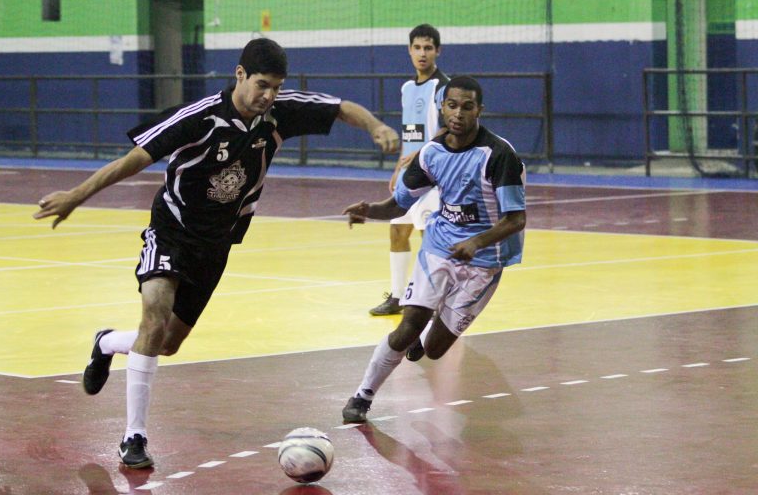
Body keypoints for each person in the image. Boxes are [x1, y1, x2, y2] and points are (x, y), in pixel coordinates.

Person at [33, 38, 399, 468]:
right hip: (172, 230)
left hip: (217, 244)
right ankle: (134, 436)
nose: (269, 95)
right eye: (262, 84)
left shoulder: (279, 112)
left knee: (166, 344)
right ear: (240, 74)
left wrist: (375, 126)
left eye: (277, 87)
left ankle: (107, 342)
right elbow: (134, 160)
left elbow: (340, 107)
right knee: (154, 314)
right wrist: (77, 195)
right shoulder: (200, 117)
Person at [341, 76, 526, 422]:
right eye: (452, 105)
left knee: (434, 349)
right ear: (442, 107)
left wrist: (476, 241)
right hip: (439, 247)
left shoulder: (499, 155)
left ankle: (424, 333)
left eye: (467, 107)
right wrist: (372, 211)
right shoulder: (431, 154)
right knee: (408, 325)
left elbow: (516, 219)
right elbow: (399, 204)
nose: (458, 113)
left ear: (480, 111)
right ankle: (362, 397)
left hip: (485, 260)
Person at [369, 24, 449, 316]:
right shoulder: (406, 88)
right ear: (409, 50)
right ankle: (398, 297)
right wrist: (397, 168)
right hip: (408, 174)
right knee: (398, 232)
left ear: (437, 51)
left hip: (433, 175)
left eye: (428, 48)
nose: (422, 53)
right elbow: (410, 132)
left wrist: (422, 152)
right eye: (417, 47)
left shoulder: (443, 87)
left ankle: (437, 300)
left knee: (431, 238)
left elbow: (449, 128)